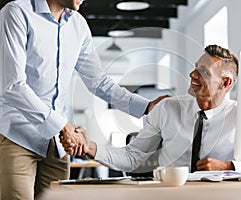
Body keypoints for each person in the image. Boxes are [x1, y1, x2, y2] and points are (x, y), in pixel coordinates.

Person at [0, 0, 168, 199]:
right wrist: (63, 126)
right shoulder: (16, 12)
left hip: (58, 144)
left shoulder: (78, 24)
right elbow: (13, 86)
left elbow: (98, 82)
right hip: (17, 135)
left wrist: (146, 106)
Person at [64, 44, 241, 176]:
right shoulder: (167, 109)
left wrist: (230, 166)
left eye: (203, 72)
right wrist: (92, 148)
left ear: (225, 83)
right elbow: (133, 157)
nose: (192, 75)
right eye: (195, 68)